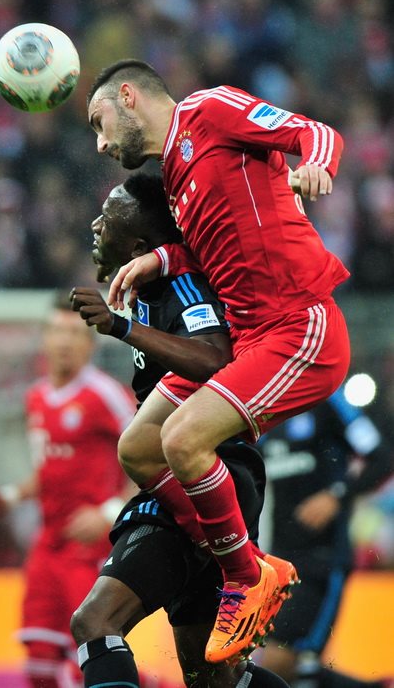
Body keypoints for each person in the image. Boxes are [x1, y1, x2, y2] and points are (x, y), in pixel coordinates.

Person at [85, 58, 350, 662]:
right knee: (139, 447)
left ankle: (245, 576)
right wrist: (162, 259)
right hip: (252, 339)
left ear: (129, 96)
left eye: (100, 122)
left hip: (298, 327)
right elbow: (216, 248)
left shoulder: (208, 111)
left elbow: (316, 133)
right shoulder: (176, 176)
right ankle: (235, 553)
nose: (100, 143)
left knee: (183, 441)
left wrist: (316, 166)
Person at [69, 172, 294, 688]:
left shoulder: (185, 287)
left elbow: (215, 357)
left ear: (139, 245)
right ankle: (240, 557)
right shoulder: (152, 283)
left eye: (108, 219)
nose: (96, 225)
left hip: (206, 472)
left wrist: (120, 326)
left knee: (95, 622)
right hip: (184, 479)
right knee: (211, 678)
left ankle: (244, 560)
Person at [0, 293, 135, 688]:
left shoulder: (106, 395)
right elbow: (48, 471)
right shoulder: (37, 397)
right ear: (44, 338)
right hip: (47, 545)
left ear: (90, 343)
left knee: (87, 659)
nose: (64, 342)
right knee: (40, 663)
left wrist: (107, 512)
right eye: (56, 331)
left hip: (89, 549)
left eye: (74, 333)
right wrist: (9, 497)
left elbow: (152, 459)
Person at [258, 387, 394, 688]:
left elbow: (381, 457)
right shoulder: (261, 404)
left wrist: (336, 496)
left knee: (282, 661)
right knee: (288, 668)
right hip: (277, 560)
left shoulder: (326, 397)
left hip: (322, 558)